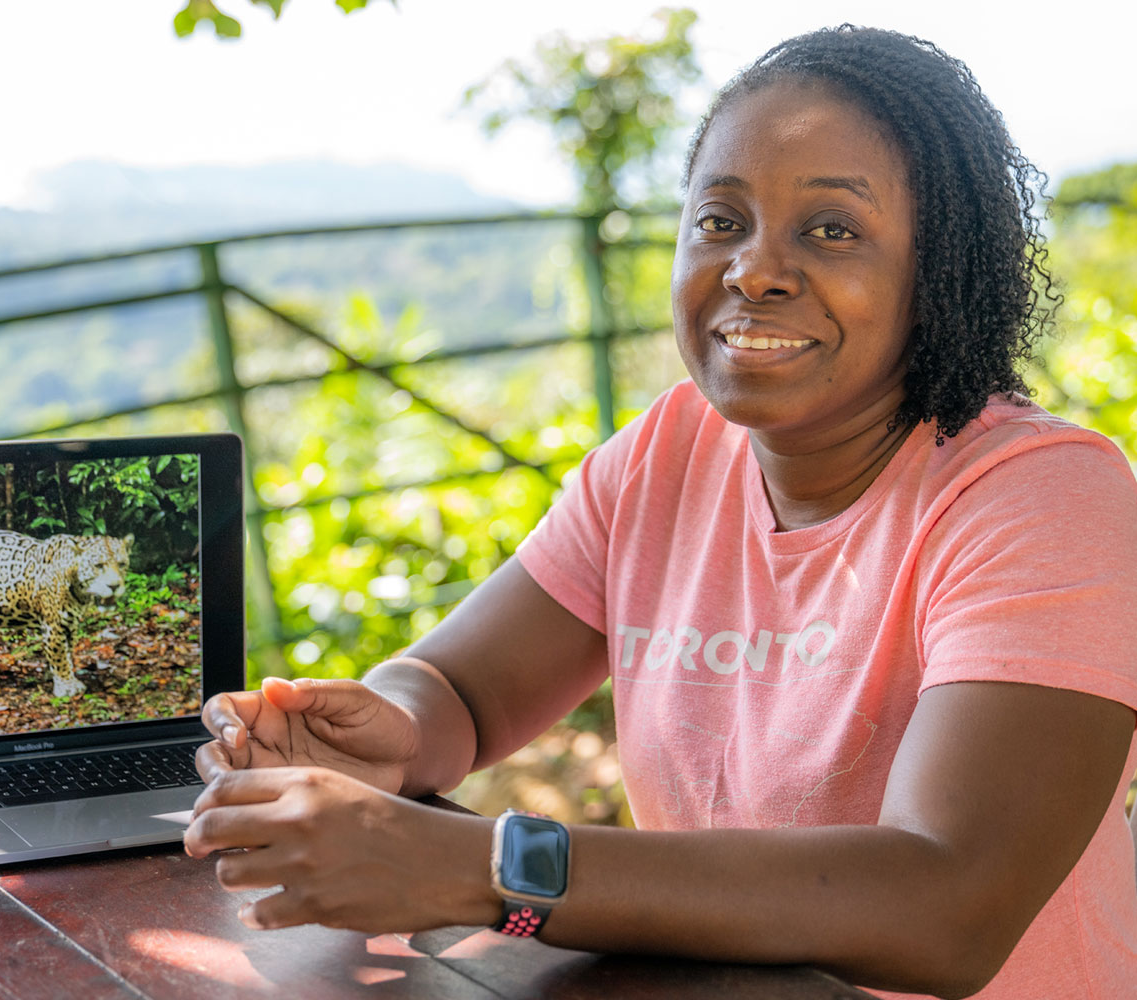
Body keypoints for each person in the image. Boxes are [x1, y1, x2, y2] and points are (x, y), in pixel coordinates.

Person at [182, 25, 1137, 1000]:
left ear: (943, 271)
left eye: (832, 229)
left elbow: (949, 905)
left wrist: (489, 867)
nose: (753, 270)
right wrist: (387, 722)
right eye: (720, 220)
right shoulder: (669, 454)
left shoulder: (1045, 498)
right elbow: (462, 692)